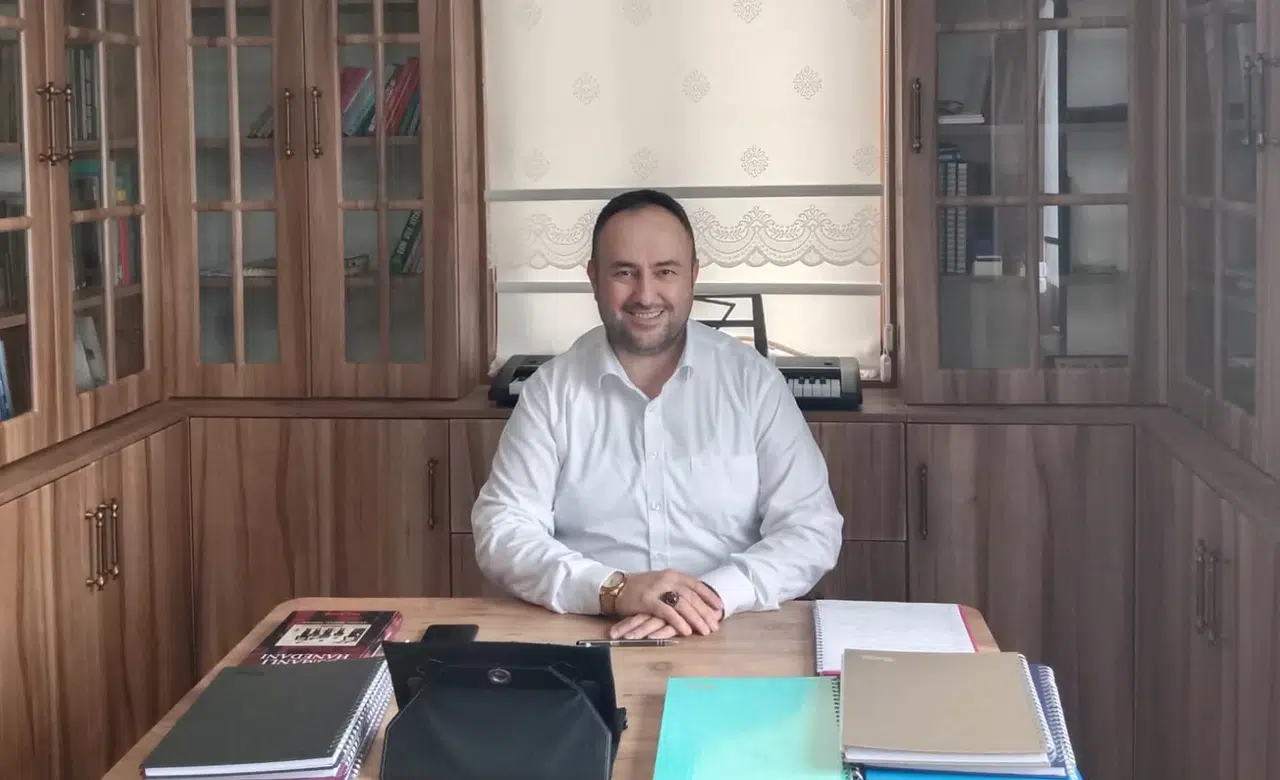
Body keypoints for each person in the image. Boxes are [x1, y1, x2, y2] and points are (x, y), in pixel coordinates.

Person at [471, 188, 844, 640]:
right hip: (591, 631)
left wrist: (708, 596)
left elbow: (811, 529)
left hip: (729, 628)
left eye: (665, 271)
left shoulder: (753, 383)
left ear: (693, 276)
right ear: (593, 278)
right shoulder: (551, 391)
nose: (645, 295)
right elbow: (503, 530)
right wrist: (614, 589)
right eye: (624, 272)